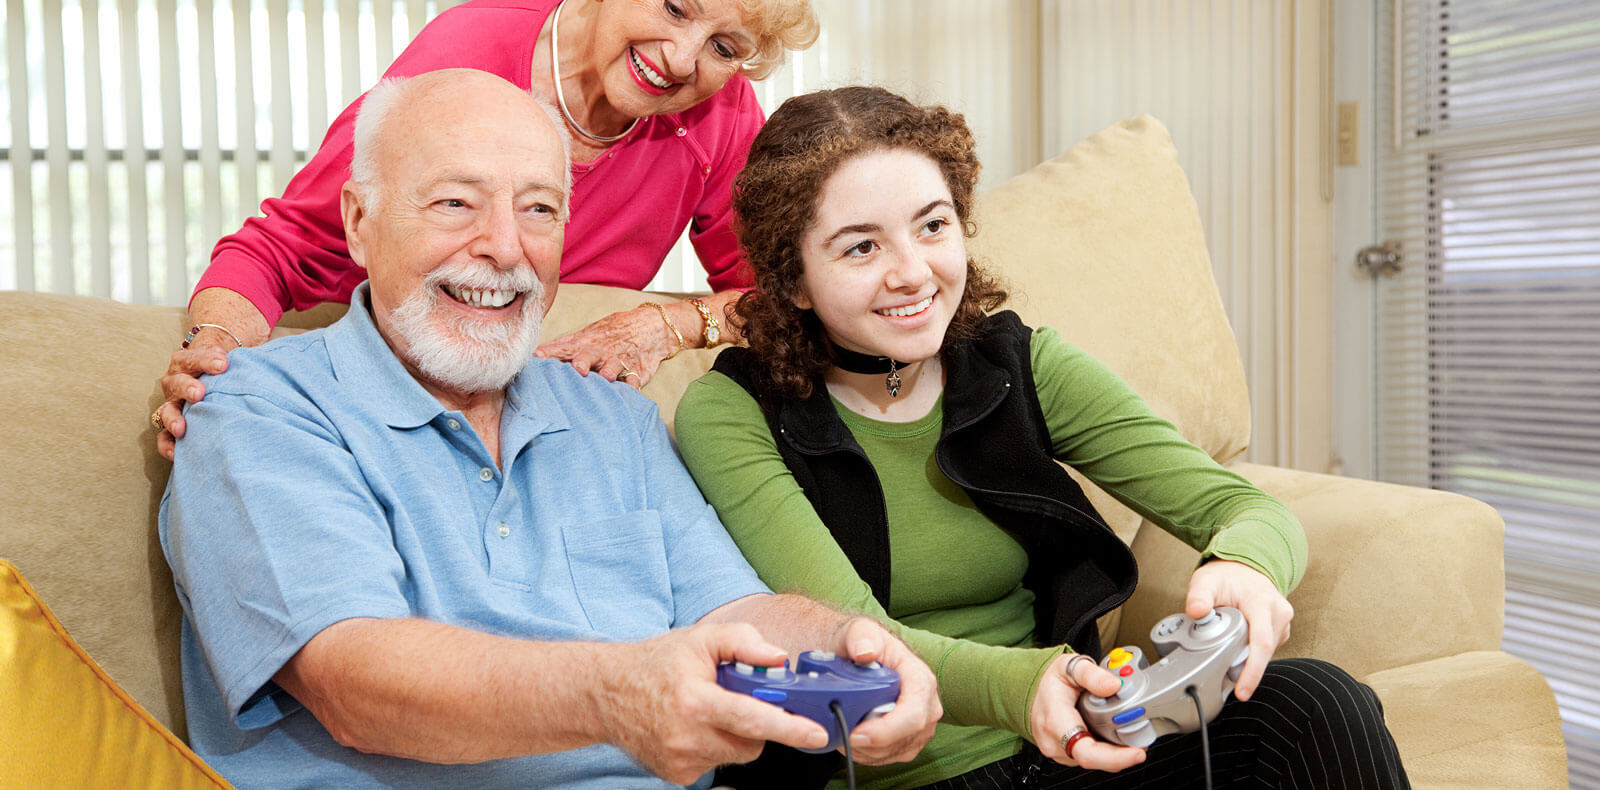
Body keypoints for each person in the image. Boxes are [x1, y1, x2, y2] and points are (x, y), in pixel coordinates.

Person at [159, 70, 939, 789]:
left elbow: (733, 610)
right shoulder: (258, 408)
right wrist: (616, 695)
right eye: (455, 203)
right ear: (359, 223)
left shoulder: (613, 414)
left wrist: (860, 649)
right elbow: (354, 685)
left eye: (539, 209)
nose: (505, 248)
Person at [674, 85, 1410, 789]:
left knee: (1317, 702)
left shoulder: (1017, 363)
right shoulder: (730, 412)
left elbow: (1246, 509)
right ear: (794, 279)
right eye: (860, 248)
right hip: (900, 775)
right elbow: (851, 635)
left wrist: (1248, 565)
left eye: (933, 226)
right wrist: (1030, 687)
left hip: (1071, 745)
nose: (913, 273)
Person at [153, 0, 819, 460]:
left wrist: (662, 325)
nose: (679, 58)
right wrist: (216, 352)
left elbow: (789, 298)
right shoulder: (467, 57)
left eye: (724, 47)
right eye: (675, 6)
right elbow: (278, 249)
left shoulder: (718, 115)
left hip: (535, 406)